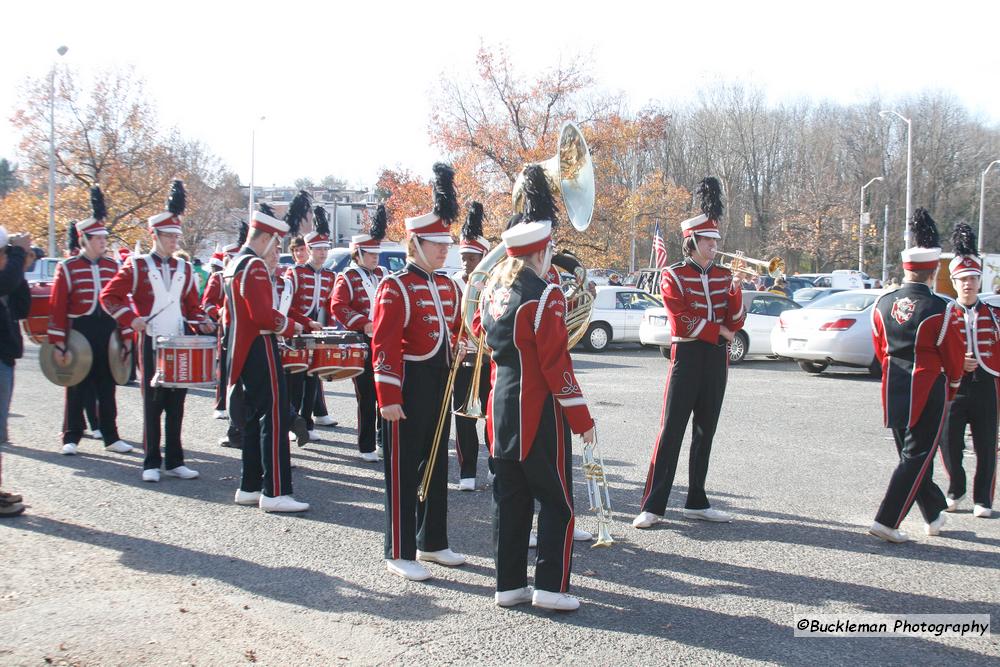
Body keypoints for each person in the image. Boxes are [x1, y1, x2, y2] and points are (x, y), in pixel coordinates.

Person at [481, 165, 595, 611]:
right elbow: (556, 366)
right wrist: (582, 418)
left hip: (500, 409)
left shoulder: (494, 294)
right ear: (542, 250)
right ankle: (551, 588)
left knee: (510, 502)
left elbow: (480, 330)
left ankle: (508, 586)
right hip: (538, 414)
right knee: (556, 504)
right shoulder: (546, 297)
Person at [372, 162, 466, 581]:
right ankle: (398, 548)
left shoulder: (447, 284)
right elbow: (384, 345)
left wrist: (460, 346)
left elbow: (456, 327)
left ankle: (432, 541)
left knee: (435, 463)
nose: (443, 250)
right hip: (407, 385)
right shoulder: (395, 285)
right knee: (403, 467)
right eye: (435, 244)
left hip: (439, 382)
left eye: (446, 244)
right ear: (415, 243)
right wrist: (388, 398)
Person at [634, 177, 745, 529]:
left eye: (716, 241)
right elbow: (681, 322)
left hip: (716, 360)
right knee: (672, 430)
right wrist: (721, 332)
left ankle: (697, 499)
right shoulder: (673, 275)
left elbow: (736, 320)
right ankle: (653, 505)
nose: (715, 247)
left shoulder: (725, 275)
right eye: (709, 241)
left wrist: (738, 292)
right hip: (687, 357)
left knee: (705, 430)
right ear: (692, 241)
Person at [100, 180, 214, 483]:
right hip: (150, 342)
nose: (174, 241)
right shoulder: (136, 266)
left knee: (177, 403)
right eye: (169, 236)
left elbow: (192, 306)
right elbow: (109, 296)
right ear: (155, 235)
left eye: (177, 236)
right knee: (153, 404)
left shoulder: (185, 269)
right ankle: (151, 461)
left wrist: (202, 320)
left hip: (178, 340)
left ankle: (176, 460)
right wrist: (130, 318)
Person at [868, 209, 965, 542]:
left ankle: (934, 514)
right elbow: (953, 357)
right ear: (932, 269)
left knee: (911, 455)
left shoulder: (882, 303)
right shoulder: (944, 307)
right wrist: (952, 384)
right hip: (927, 383)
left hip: (892, 381)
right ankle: (886, 520)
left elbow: (880, 348)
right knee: (918, 455)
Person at [224, 204, 309, 512]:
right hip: (260, 346)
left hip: (242, 348)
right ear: (269, 239)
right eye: (276, 243)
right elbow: (261, 316)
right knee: (273, 417)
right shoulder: (255, 266)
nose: (277, 250)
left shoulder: (236, 262)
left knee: (251, 418)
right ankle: (275, 491)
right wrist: (290, 325)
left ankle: (250, 485)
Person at [49, 186, 132, 456]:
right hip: (80, 330)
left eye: (104, 238)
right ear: (85, 239)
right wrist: (59, 343)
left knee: (107, 385)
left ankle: (111, 436)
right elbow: (58, 308)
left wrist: (125, 335)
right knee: (76, 384)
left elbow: (121, 302)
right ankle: (71, 435)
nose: (103, 242)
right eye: (97, 238)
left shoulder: (113, 266)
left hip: (107, 330)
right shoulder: (68, 267)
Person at [940, 224, 996, 518]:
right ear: (954, 282)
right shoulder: (945, 314)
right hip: (955, 385)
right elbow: (935, 350)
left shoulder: (995, 314)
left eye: (973, 278)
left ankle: (983, 499)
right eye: (962, 280)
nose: (968, 284)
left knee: (987, 445)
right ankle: (956, 488)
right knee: (949, 443)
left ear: (979, 281)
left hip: (987, 385)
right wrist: (956, 362)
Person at [330, 204, 388, 462]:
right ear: (358, 253)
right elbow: (337, 306)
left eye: (377, 253)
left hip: (384, 340)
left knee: (385, 391)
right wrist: (363, 322)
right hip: (363, 340)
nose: (376, 258)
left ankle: (382, 438)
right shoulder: (348, 277)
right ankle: (366, 445)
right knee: (366, 395)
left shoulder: (383, 274)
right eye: (370, 253)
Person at [451, 201, 494, 490]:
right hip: (463, 360)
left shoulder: (493, 284)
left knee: (492, 416)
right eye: (463, 258)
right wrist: (457, 343)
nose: (466, 264)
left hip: (488, 358)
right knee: (463, 419)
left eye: (471, 258)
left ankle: (494, 466)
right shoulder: (453, 283)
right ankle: (467, 471)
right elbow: (449, 322)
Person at [284, 204, 333, 442]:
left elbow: (329, 306)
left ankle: (309, 423)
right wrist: (305, 322)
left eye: (326, 249)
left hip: (317, 335)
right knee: (296, 380)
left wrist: (330, 329)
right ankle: (294, 424)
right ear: (309, 249)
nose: (323, 254)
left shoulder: (330, 275)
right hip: (296, 334)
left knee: (314, 379)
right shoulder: (294, 274)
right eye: (318, 249)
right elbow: (288, 306)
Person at [0, 226, 33, 517]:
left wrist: (19, 264)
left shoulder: (8, 278)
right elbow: (5, 282)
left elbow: (22, 307)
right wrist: (18, 254)